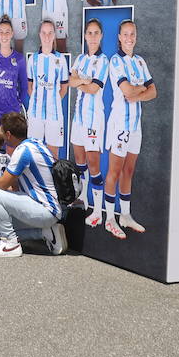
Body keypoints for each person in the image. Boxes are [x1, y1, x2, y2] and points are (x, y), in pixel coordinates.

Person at [0, 111, 67, 258]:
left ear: (8, 134)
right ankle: (47, 232)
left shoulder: (23, 151)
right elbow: (12, 186)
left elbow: (2, 184)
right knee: (1, 220)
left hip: (45, 210)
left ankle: (10, 244)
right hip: (50, 209)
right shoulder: (35, 143)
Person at [101, 20, 157, 239]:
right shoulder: (115, 61)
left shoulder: (140, 62)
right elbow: (126, 91)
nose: (130, 38)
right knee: (114, 171)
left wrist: (139, 91)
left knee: (129, 171)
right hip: (120, 125)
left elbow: (153, 92)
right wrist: (142, 88)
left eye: (132, 34)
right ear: (119, 37)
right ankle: (109, 219)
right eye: (125, 34)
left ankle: (125, 215)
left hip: (136, 125)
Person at [69, 19, 110, 224]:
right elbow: (70, 81)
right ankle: (83, 197)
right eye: (89, 33)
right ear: (85, 36)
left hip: (94, 119)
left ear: (101, 36)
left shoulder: (103, 61)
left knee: (94, 165)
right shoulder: (79, 59)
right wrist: (85, 81)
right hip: (79, 117)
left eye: (96, 33)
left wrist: (81, 82)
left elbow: (94, 89)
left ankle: (97, 210)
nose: (92, 37)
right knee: (80, 161)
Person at [26, 19, 69, 156]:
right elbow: (30, 87)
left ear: (54, 35)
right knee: (34, 153)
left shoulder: (60, 59)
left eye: (50, 33)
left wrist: (53, 101)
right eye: (44, 33)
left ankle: (51, 178)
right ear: (39, 34)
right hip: (35, 114)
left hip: (54, 115)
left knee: (53, 155)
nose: (47, 36)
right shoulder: (33, 59)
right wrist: (38, 101)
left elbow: (64, 88)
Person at [0, 17, 29, 125]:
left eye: (7, 32)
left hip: (12, 114)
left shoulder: (19, 59)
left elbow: (24, 85)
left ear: (12, 34)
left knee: (10, 141)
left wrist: (18, 103)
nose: (4, 35)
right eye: (1, 32)